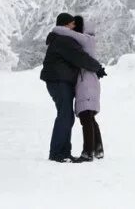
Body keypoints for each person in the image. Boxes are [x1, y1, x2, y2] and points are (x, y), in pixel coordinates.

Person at [39, 12, 106, 163]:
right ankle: (57, 153)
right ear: (66, 24)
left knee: (67, 115)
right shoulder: (63, 40)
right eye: (72, 24)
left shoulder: (62, 39)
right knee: (65, 115)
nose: (74, 26)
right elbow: (79, 56)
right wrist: (97, 68)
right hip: (59, 80)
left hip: (60, 80)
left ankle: (63, 152)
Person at [71, 15, 104, 161]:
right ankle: (98, 149)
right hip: (88, 81)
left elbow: (66, 33)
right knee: (89, 116)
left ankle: (88, 152)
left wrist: (57, 29)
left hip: (87, 82)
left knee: (86, 117)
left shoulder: (86, 39)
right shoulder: (88, 40)